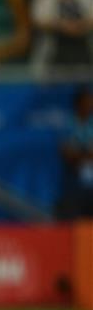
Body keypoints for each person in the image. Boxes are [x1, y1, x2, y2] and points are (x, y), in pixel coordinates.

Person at [30, 0, 93, 71]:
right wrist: (61, 25)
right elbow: (38, 21)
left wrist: (79, 25)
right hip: (53, 55)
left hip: (84, 52)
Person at [57, 87, 93, 219]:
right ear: (78, 104)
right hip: (74, 183)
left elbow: (74, 153)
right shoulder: (67, 124)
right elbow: (67, 153)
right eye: (87, 101)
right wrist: (87, 154)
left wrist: (79, 153)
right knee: (73, 221)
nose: (90, 105)